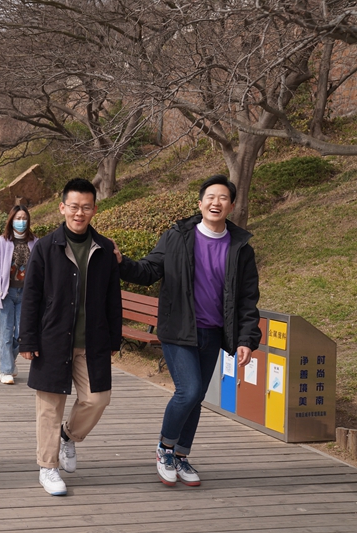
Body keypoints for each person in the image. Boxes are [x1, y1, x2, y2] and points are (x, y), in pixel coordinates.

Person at [113, 174, 260, 487]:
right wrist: (122, 262)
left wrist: (247, 339)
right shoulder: (178, 236)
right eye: (210, 197)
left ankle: (181, 455)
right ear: (200, 203)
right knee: (189, 391)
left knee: (197, 397)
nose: (216, 202)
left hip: (213, 332)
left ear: (232, 206)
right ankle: (165, 449)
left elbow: (247, 298)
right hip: (178, 329)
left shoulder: (240, 247)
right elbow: (149, 270)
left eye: (223, 198)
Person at [19, 178, 122, 496]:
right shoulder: (45, 247)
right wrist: (27, 339)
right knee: (49, 407)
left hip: (92, 341)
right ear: (62, 207)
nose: (80, 213)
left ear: (94, 209)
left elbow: (112, 298)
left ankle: (68, 436)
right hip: (52, 339)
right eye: (74, 206)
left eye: (86, 207)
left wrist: (114, 339)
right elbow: (31, 296)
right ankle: (47, 467)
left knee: (97, 399)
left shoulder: (104, 249)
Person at [0, 205, 38, 384]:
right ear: (11, 220)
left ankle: (9, 360)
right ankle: (6, 370)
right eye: (18, 218)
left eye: (24, 218)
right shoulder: (3, 241)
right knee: (6, 332)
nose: (21, 222)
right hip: (5, 293)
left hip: (27, 295)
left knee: (21, 333)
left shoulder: (35, 242)